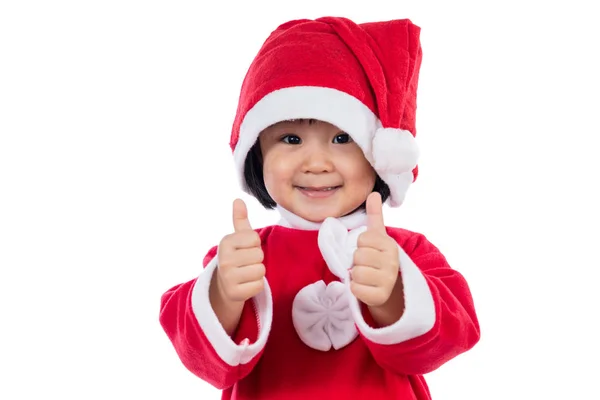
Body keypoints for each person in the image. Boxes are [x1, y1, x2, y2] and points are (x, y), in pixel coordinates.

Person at [159, 16, 480, 399]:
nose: (316, 163)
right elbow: (204, 359)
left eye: (342, 138)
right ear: (256, 154)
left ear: (378, 153)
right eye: (290, 138)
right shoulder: (242, 256)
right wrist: (223, 295)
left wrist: (394, 291)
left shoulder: (406, 253)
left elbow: (454, 334)